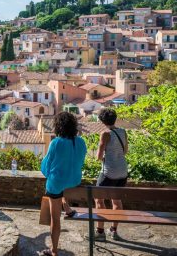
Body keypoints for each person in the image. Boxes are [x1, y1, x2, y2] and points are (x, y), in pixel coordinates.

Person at [40, 112, 87, 256]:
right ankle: (66, 207)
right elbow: (81, 161)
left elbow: (45, 168)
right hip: (74, 181)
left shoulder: (56, 143)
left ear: (58, 127)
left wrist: (51, 175)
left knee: (55, 218)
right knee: (62, 187)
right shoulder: (81, 142)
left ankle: (54, 250)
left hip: (57, 184)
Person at [94, 107, 128, 241]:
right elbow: (125, 151)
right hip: (122, 171)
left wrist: (104, 156)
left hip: (108, 173)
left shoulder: (105, 133)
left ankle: (100, 231)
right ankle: (113, 231)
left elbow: (98, 156)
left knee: (98, 199)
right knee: (117, 201)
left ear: (102, 120)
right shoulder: (123, 132)